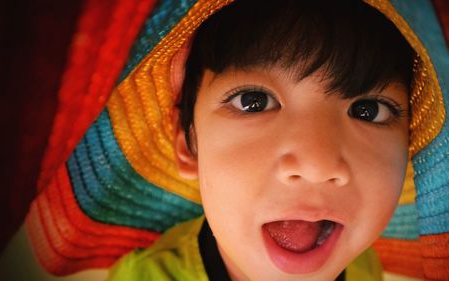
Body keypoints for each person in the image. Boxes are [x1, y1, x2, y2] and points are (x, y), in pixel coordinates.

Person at [109, 0, 414, 280]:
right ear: (189, 143)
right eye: (253, 101)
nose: (316, 165)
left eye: (368, 110)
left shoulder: (366, 269)